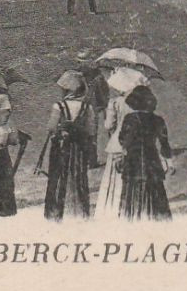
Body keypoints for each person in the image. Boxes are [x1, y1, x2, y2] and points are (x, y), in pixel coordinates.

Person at [39, 71, 93, 221]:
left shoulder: (59, 106)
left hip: (62, 147)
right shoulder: (87, 107)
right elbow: (90, 130)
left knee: (58, 177)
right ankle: (80, 211)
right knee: (79, 176)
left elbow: (51, 127)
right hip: (79, 148)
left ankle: (55, 212)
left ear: (68, 90)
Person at [117, 85, 173, 220]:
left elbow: (123, 140)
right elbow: (165, 145)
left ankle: (135, 216)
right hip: (151, 159)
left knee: (133, 189)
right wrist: (169, 163)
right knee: (154, 189)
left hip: (133, 160)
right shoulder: (158, 120)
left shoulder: (130, 118)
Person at [99, 68, 145, 217]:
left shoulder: (115, 102)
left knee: (116, 177)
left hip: (118, 143)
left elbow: (108, 125)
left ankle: (113, 208)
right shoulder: (139, 102)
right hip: (136, 143)